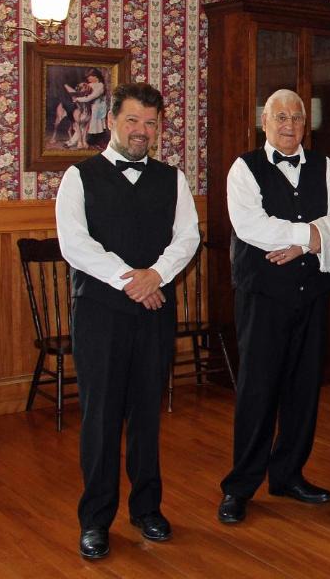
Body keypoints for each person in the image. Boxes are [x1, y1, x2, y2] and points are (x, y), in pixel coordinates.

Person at [55, 82, 199, 559]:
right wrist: (129, 279)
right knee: (100, 419)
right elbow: (75, 245)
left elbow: (187, 238)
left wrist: (155, 275)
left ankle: (147, 508)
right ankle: (95, 519)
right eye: (134, 120)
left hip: (154, 312)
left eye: (151, 123)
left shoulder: (172, 179)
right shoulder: (79, 177)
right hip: (100, 314)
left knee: (145, 416)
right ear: (111, 121)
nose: (143, 131)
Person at [218, 89, 330, 524]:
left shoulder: (323, 165)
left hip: (311, 294)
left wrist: (306, 242)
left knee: (303, 389)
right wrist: (306, 237)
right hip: (263, 297)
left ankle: (288, 474)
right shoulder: (244, 168)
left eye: (297, 117)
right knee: (258, 390)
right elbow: (249, 225)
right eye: (281, 117)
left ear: (305, 124)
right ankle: (240, 485)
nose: (289, 125)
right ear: (265, 123)